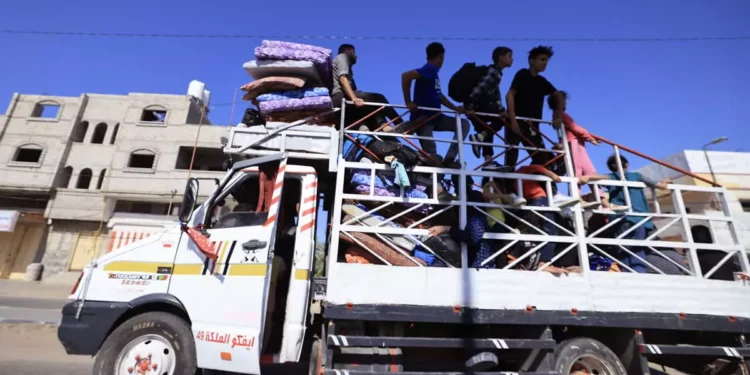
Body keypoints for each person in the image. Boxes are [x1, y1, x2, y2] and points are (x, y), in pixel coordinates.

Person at [579, 155, 671, 273]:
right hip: (639, 219)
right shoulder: (637, 176)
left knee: (622, 250)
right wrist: (665, 182)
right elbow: (661, 186)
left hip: (619, 219)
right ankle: (638, 274)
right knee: (637, 250)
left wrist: (587, 177)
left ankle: (627, 273)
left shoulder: (611, 177)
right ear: (626, 164)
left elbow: (598, 178)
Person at [397, 42, 470, 168]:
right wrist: (408, 102)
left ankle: (449, 158)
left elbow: (439, 95)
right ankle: (434, 183)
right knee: (432, 155)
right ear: (441, 57)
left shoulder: (433, 73)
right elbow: (406, 76)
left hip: (436, 117)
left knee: (463, 124)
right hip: (424, 119)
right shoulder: (429, 69)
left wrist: (454, 108)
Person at [547, 92, 624, 210]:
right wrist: (590, 138)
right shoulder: (560, 114)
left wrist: (587, 137)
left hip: (577, 145)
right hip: (573, 145)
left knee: (590, 173)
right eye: (563, 100)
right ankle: (578, 199)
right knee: (578, 173)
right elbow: (576, 128)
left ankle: (604, 203)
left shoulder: (559, 114)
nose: (565, 102)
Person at [505, 46, 566, 168]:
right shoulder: (523, 74)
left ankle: (544, 184)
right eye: (542, 59)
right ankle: (506, 185)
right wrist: (513, 121)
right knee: (511, 158)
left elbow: (559, 95)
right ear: (532, 61)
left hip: (533, 125)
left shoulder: (542, 81)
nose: (545, 63)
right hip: (517, 121)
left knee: (542, 158)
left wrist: (557, 116)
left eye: (547, 60)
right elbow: (509, 95)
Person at [515, 163, 576, 274]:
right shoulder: (523, 169)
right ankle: (544, 263)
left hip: (532, 201)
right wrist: (552, 175)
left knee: (541, 230)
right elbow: (537, 167)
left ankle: (544, 262)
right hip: (539, 199)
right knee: (550, 231)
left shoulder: (515, 178)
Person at [331, 44, 403, 130]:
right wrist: (354, 98)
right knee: (379, 98)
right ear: (348, 52)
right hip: (340, 96)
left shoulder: (346, 67)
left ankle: (385, 127)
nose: (356, 56)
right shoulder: (342, 57)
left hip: (344, 97)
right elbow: (343, 78)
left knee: (374, 107)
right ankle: (400, 123)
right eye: (354, 53)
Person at [465, 47, 514, 167]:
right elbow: (479, 88)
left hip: (477, 105)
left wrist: (501, 109)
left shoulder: (497, 73)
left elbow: (495, 94)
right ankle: (480, 139)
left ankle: (488, 160)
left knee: (487, 130)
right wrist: (469, 105)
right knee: (500, 121)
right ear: (500, 57)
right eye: (509, 56)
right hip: (477, 105)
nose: (512, 59)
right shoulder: (494, 71)